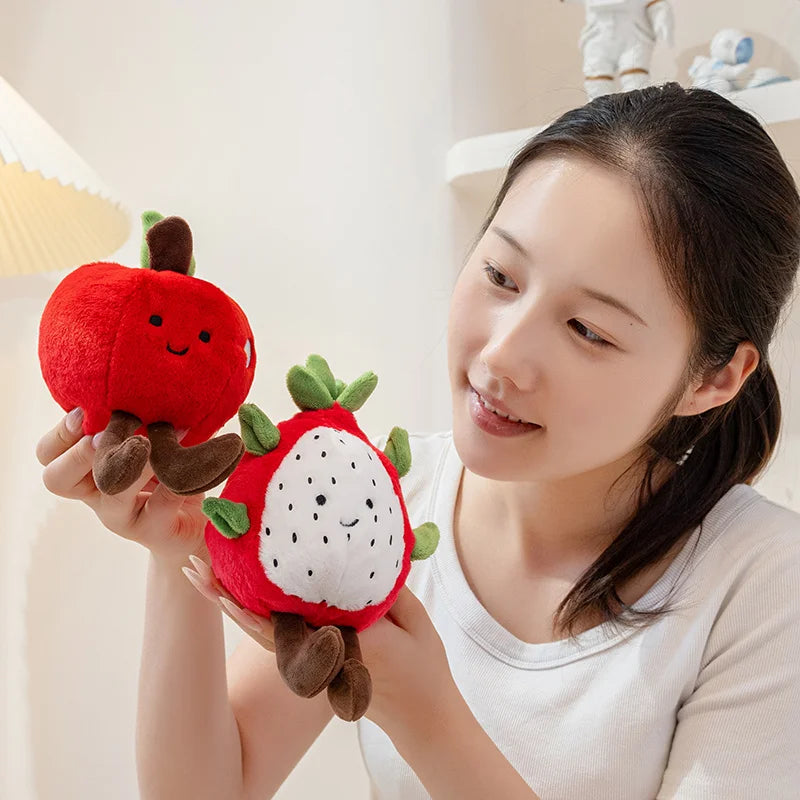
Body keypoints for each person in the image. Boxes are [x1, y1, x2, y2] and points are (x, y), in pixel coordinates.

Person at [36, 81, 800, 799]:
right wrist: (179, 550)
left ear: (714, 379)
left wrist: (426, 717)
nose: (500, 355)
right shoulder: (383, 499)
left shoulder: (764, 585)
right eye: (501, 274)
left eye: (587, 330)